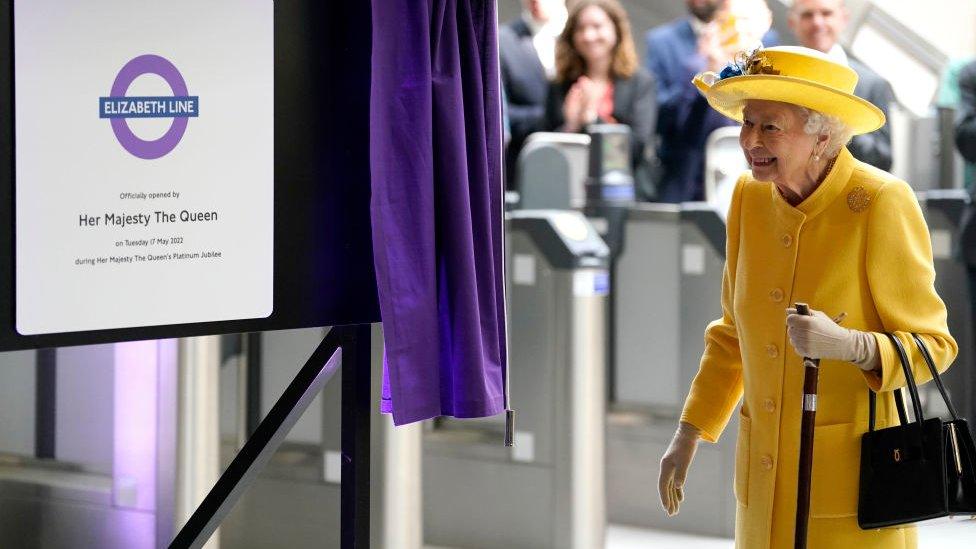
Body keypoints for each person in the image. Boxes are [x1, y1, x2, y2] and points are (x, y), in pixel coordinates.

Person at [658, 46, 957, 548]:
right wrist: (688, 433)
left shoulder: (879, 202)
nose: (750, 141)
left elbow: (935, 346)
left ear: (823, 134)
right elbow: (732, 336)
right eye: (747, 123)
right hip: (762, 486)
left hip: (851, 489)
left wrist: (853, 346)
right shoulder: (748, 197)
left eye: (770, 127)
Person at [646, 0, 779, 203]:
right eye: (731, 21)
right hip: (688, 182)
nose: (739, 30)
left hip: (754, 183)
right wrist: (704, 67)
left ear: (765, 23)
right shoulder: (687, 53)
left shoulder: (774, 54)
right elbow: (667, 120)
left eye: (746, 21)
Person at [544, 0, 658, 200]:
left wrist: (592, 119)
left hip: (625, 195)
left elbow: (636, 148)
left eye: (597, 26)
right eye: (580, 28)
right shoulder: (561, 84)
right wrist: (570, 125)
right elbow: (546, 145)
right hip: (568, 191)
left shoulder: (639, 83)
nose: (589, 36)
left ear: (616, 30)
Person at [788, 0, 895, 171]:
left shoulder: (872, 84)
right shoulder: (778, 79)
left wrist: (837, 117)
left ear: (844, 18)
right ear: (792, 22)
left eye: (826, 13)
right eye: (807, 15)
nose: (817, 22)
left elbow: (882, 160)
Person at [499, 0, 567, 189]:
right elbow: (499, 111)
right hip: (522, 166)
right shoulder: (503, 41)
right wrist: (552, 117)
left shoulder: (583, 34)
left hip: (573, 163)